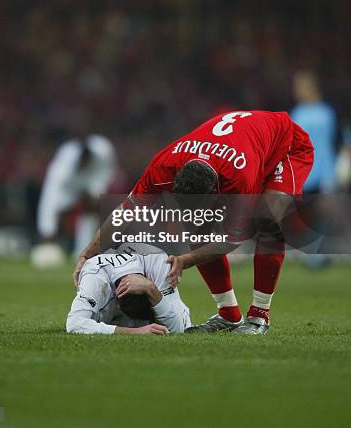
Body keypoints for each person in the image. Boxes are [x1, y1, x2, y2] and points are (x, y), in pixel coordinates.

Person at [73, 110, 314, 335]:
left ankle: (259, 317)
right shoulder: (164, 166)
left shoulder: (239, 177)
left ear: (215, 193)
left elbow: (234, 238)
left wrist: (186, 259)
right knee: (199, 228)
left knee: (268, 219)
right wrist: (88, 252)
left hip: (287, 146)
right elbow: (125, 213)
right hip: (243, 144)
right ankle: (228, 315)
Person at [31, 135, 117, 267]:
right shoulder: (63, 165)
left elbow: (107, 173)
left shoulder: (104, 150)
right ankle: (48, 245)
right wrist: (47, 231)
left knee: (92, 209)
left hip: (93, 178)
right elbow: (49, 200)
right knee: (53, 214)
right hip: (68, 186)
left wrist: (94, 193)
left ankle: (83, 252)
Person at [66, 243, 191, 334]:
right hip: (106, 308)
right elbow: (74, 324)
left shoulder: (158, 260)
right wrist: (135, 331)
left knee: (183, 321)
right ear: (118, 305)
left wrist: (152, 290)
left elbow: (177, 329)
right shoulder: (96, 275)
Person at [291, 71, 338, 267]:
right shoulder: (297, 113)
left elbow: (329, 144)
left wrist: (330, 173)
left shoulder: (326, 113)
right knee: (304, 214)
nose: (296, 91)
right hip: (303, 173)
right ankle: (312, 252)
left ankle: (315, 254)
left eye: (300, 86)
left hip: (322, 172)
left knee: (323, 213)